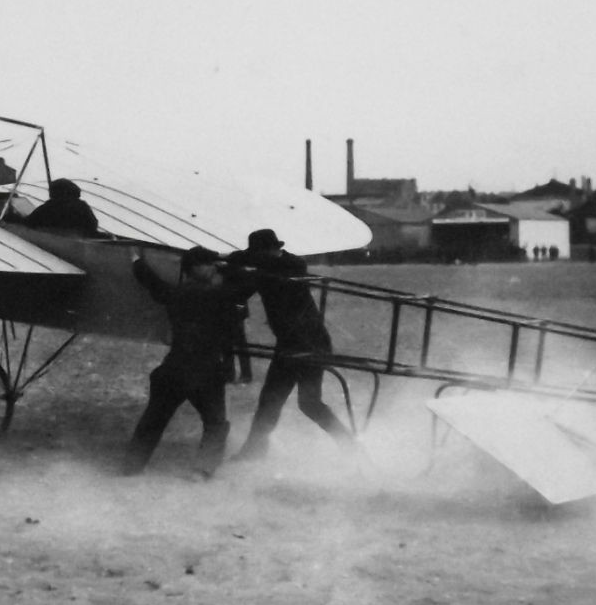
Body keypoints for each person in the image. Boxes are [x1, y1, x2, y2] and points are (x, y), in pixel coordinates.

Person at [225, 229, 354, 460]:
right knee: (270, 401)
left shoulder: (292, 266)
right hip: (290, 343)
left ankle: (349, 445)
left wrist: (239, 261)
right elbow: (243, 291)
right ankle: (254, 450)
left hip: (310, 343)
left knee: (309, 403)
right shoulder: (265, 272)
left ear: (273, 251)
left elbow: (276, 267)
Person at [123, 246, 248, 477]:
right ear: (195, 268)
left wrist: (137, 261)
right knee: (216, 424)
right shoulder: (217, 295)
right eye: (209, 264)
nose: (213, 268)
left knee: (153, 421)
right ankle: (202, 470)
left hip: (174, 367)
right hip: (206, 371)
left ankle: (131, 468)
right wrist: (234, 267)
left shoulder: (176, 294)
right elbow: (242, 291)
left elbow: (153, 283)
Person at [25, 178, 101, 237]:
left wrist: (13, 216)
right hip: (83, 237)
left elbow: (29, 222)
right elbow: (93, 224)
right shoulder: (82, 205)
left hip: (65, 239)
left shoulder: (52, 206)